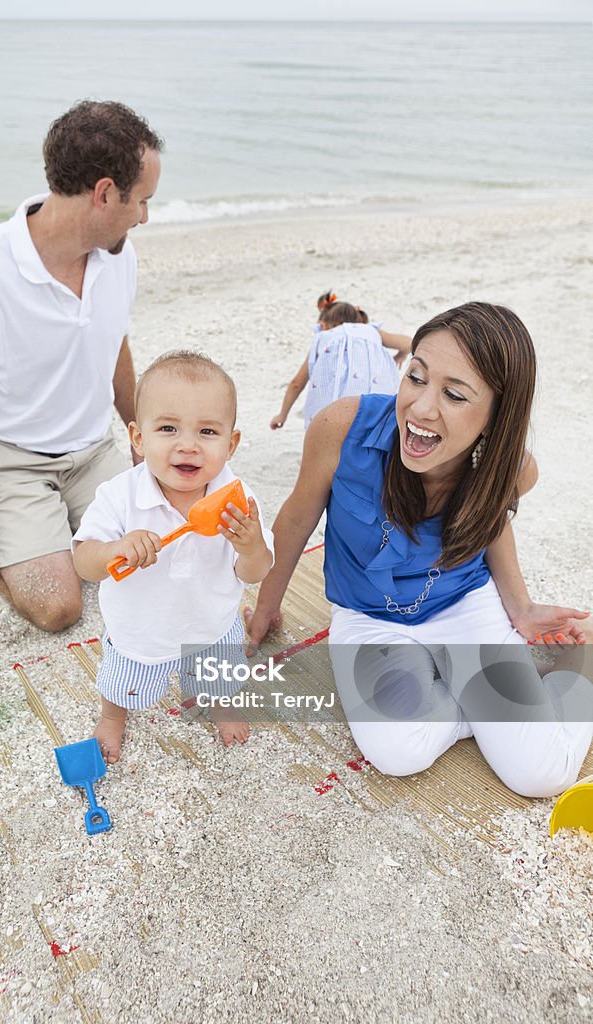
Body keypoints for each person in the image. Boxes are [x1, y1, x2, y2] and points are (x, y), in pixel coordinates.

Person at [249, 302, 592, 798]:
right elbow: (297, 518)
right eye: (416, 377)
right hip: (369, 616)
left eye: (454, 395)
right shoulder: (341, 427)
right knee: (397, 752)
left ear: (496, 417)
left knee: (542, 774)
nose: (422, 409)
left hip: (464, 607)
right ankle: (480, 704)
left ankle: (577, 664)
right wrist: (266, 608)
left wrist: (520, 608)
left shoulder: (513, 471)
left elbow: (489, 521)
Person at [0, 101, 163, 632]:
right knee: (59, 609)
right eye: (140, 201)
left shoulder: (120, 255)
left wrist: (138, 432)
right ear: (103, 193)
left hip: (93, 452)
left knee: (161, 559)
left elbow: (113, 338)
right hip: (9, 463)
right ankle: (11, 537)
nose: (144, 216)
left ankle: (61, 530)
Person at [72, 351, 274, 761]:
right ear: (138, 438)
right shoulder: (119, 496)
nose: (188, 445)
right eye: (168, 428)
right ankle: (113, 716)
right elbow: (83, 559)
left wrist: (251, 545)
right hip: (140, 630)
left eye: (207, 432)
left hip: (211, 625)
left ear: (231, 443)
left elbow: (254, 572)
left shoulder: (237, 500)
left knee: (219, 675)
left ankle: (221, 703)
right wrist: (114, 548)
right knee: (123, 682)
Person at [270, 300, 411, 430]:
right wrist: (400, 356)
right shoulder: (372, 331)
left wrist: (282, 415)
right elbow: (409, 343)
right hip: (376, 405)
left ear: (323, 324)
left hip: (334, 408)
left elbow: (297, 383)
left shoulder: (323, 337)